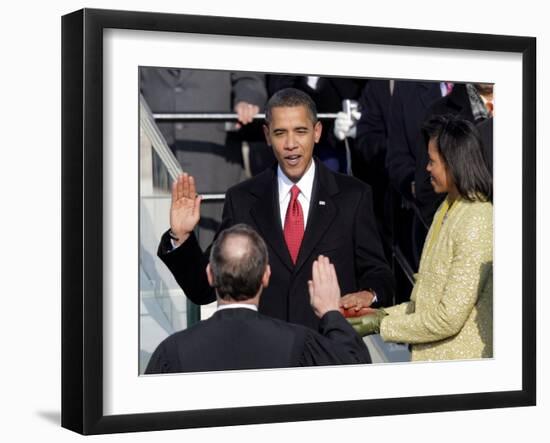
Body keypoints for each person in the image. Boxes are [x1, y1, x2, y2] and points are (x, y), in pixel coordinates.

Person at [157, 87, 395, 330]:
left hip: (330, 351)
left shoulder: (353, 196)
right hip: (268, 355)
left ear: (317, 132)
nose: (291, 144)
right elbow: (203, 290)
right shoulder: (242, 200)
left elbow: (379, 274)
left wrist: (369, 294)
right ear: (267, 135)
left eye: (300, 131)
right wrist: (182, 237)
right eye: (280, 133)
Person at [346, 114, 493, 361]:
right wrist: (375, 316)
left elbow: (448, 318)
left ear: (453, 163)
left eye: (432, 161)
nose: (427, 168)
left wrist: (378, 325)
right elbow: (423, 306)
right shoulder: (447, 208)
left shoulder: (476, 218)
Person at [146, 224, 371, 373]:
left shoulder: (172, 352)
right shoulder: (300, 344)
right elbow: (356, 371)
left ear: (210, 274)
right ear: (266, 275)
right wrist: (331, 313)